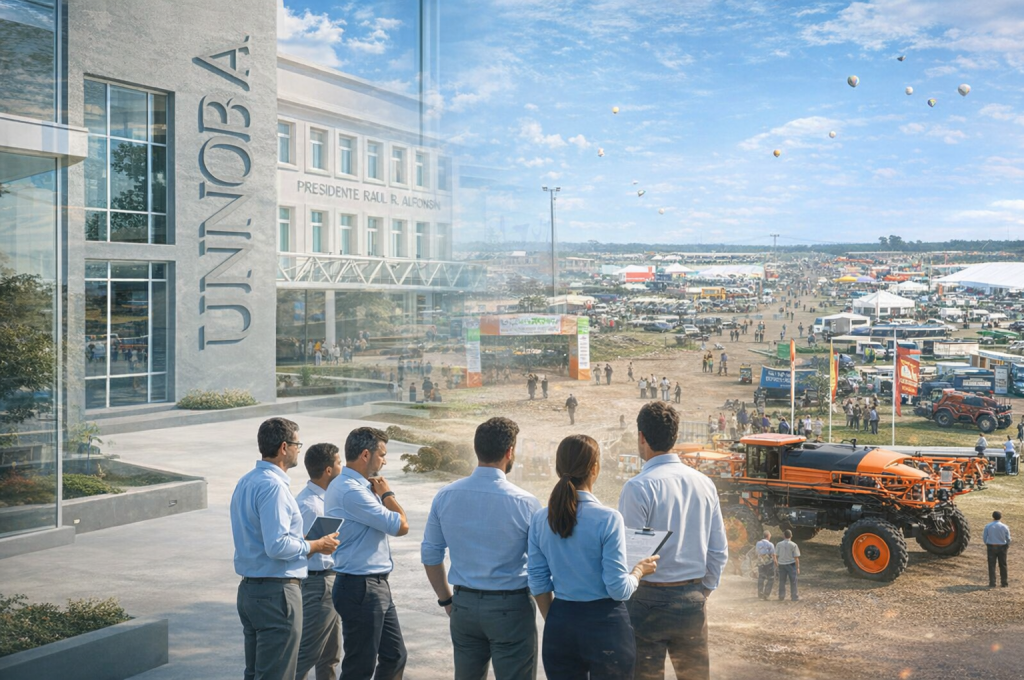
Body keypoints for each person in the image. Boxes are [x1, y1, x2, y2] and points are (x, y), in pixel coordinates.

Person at [528, 435, 659, 679]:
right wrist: (638, 571)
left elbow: (537, 581)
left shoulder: (540, 519)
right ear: (595, 469)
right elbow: (618, 589)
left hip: (560, 622)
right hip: (605, 625)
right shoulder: (608, 519)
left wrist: (555, 619)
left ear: (558, 469)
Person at [422, 418, 544, 680]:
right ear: (510, 451)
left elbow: (430, 555)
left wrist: (446, 599)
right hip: (510, 608)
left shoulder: (445, 495)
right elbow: (539, 566)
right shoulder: (526, 503)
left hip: (463, 605)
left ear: (476, 448)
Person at [619, 402, 728, 680]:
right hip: (692, 597)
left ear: (642, 437)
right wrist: (703, 590)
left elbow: (630, 557)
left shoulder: (638, 487)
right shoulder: (704, 483)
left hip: (647, 599)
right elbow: (718, 550)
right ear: (675, 436)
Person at [230, 418, 340, 680]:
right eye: (296, 444)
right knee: (278, 674)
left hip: (250, 591)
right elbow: (277, 545)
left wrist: (302, 542)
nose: (298, 450)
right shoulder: (273, 487)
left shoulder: (246, 481)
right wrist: (316, 544)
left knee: (256, 673)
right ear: (283, 447)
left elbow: (262, 537)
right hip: (276, 594)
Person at [326, 427, 410, 680]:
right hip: (361, 587)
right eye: (382, 454)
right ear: (365, 454)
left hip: (371, 585)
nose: (384, 461)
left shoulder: (354, 486)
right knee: (359, 668)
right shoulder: (352, 491)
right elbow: (401, 526)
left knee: (394, 655)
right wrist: (387, 494)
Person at [295, 443, 345, 680]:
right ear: (328, 470)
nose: (342, 467)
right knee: (307, 654)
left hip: (329, 582)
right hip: (317, 585)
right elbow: (299, 551)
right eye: (339, 462)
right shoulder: (309, 506)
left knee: (330, 655)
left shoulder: (324, 500)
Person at [983, 510, 1011, 588]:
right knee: (1003, 565)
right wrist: (1007, 545)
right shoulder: (1005, 527)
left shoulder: (988, 526)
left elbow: (985, 537)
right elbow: (1008, 538)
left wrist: (987, 543)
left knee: (991, 565)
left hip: (991, 546)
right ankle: (1004, 583)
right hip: (1002, 547)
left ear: (993, 517)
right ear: (1000, 517)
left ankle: (992, 583)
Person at [776, 529, 801, 601]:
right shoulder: (794, 545)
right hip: (791, 564)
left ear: (783, 536)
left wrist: (776, 564)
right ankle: (794, 596)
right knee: (793, 581)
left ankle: (781, 596)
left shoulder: (779, 544)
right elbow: (796, 558)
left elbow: (776, 555)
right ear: (791, 536)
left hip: (781, 564)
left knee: (782, 581)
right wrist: (797, 567)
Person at [755, 530, 777, 601]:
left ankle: (760, 594)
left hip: (760, 563)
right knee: (771, 578)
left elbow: (757, 552)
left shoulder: (758, 543)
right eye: (770, 535)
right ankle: (766, 595)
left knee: (761, 578)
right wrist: (776, 563)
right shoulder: (770, 544)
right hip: (769, 563)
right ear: (768, 536)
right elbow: (773, 555)